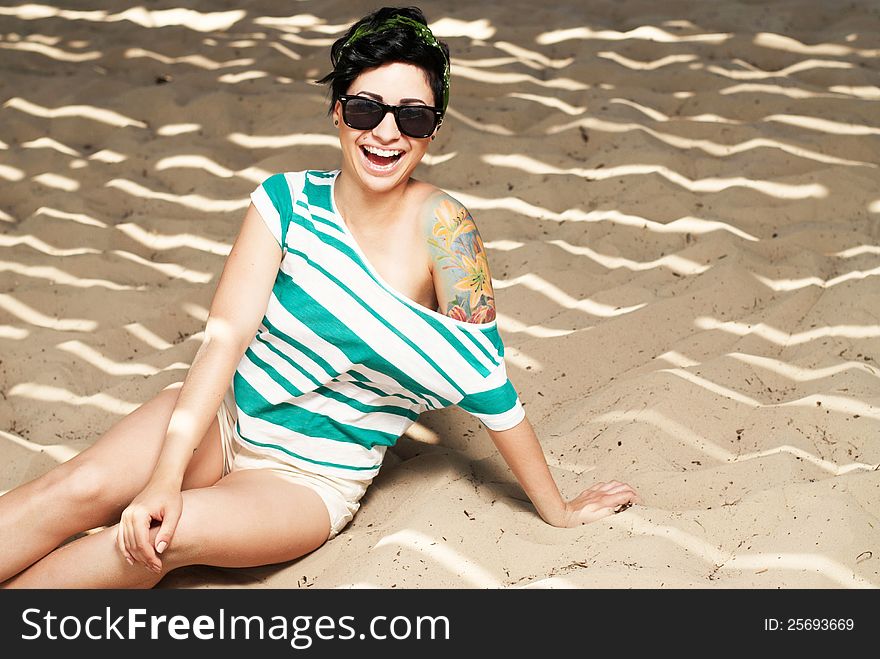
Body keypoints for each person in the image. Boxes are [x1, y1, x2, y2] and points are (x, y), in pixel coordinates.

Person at [0, 6, 639, 589]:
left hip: (305, 481)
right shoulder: (285, 201)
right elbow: (224, 342)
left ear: (433, 130)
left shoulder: (446, 230)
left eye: (412, 116)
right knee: (75, 487)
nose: (386, 133)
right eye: (366, 109)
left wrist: (557, 510)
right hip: (225, 421)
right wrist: (166, 471)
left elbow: (487, 382)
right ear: (337, 110)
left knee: (153, 538)